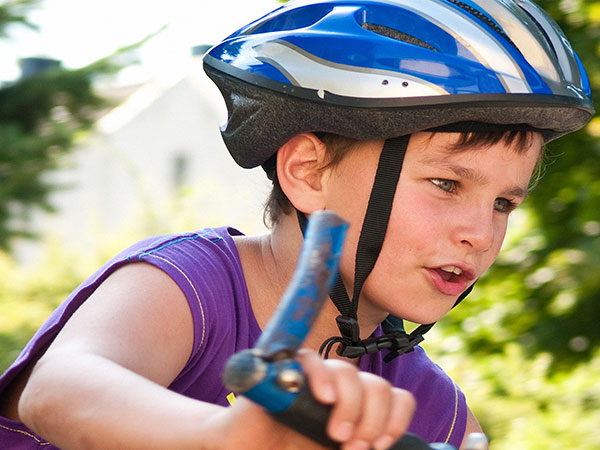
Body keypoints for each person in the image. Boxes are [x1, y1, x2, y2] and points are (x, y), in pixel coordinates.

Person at [0, 0, 594, 449]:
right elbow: (58, 390)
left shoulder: (434, 409)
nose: (481, 234)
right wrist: (224, 437)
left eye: (503, 204)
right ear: (309, 172)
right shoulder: (192, 288)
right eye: (446, 184)